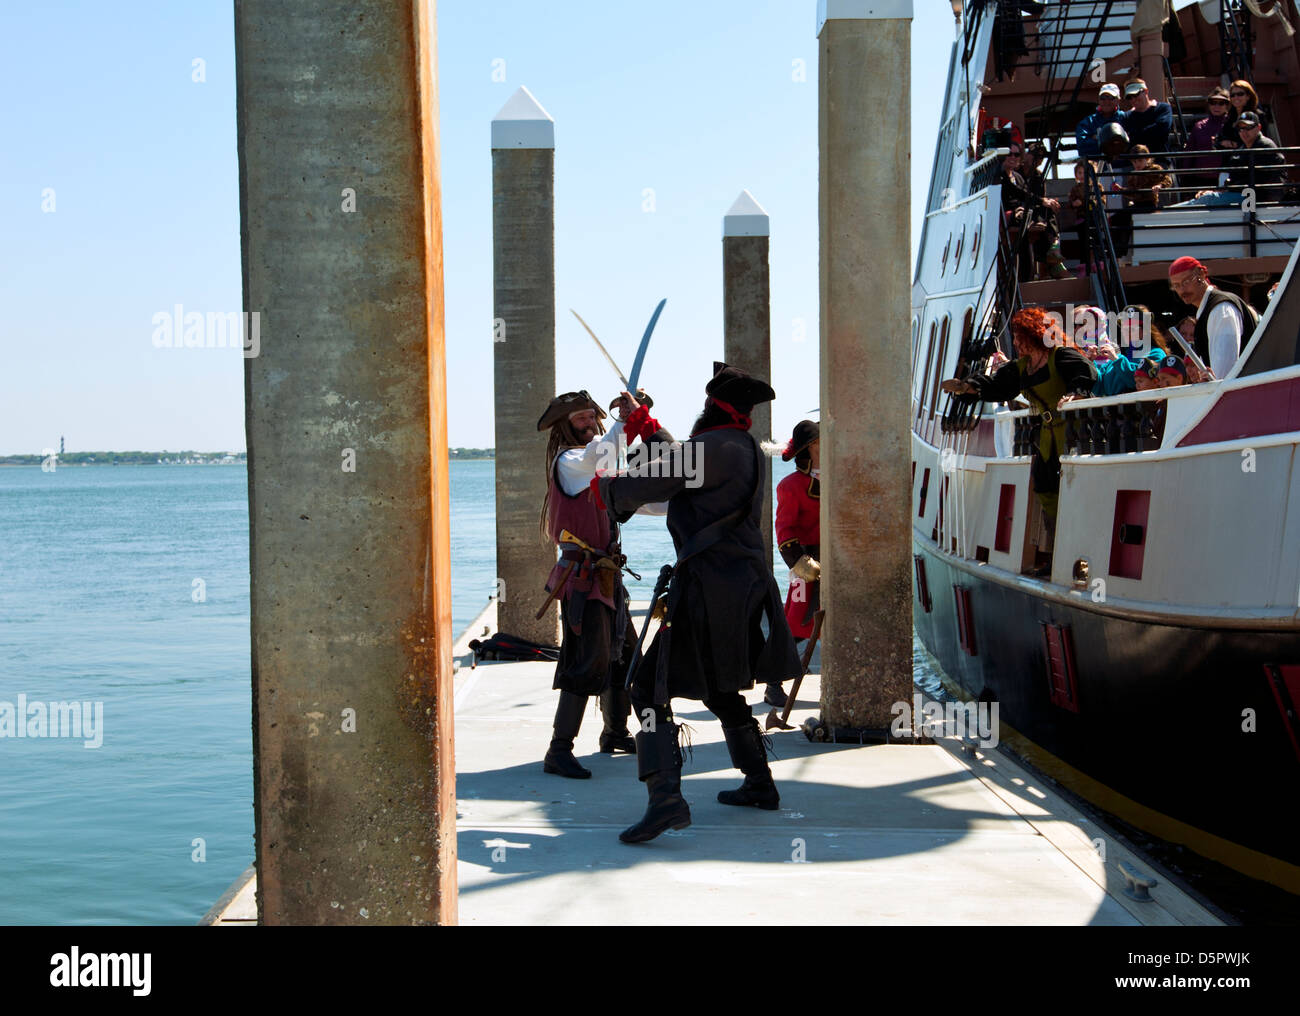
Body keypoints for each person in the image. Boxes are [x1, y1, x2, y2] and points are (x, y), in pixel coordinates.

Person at [594, 363, 803, 843]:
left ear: (711, 405)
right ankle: (759, 783)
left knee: (646, 689)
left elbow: (640, 485)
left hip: (711, 588)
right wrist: (644, 421)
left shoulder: (712, 448)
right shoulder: (740, 445)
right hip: (741, 584)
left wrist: (604, 482)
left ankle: (666, 801)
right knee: (719, 688)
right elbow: (682, 460)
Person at [536, 389, 663, 779]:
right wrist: (629, 419)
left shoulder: (599, 468)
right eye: (581, 420)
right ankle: (559, 751)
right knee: (586, 661)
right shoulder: (571, 462)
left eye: (593, 417)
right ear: (564, 428)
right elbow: (600, 455)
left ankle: (615, 732)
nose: (591, 424)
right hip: (581, 582)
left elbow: (643, 501)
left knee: (625, 657)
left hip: (606, 579)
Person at [941, 309, 1096, 568]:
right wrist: (968, 387)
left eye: (1019, 336)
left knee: (1076, 487)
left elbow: (1087, 372)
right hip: (1047, 435)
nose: (1015, 343)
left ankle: (1082, 551)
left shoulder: (1061, 357)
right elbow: (998, 386)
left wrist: (1075, 394)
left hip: (1074, 430)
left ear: (1034, 334)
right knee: (1046, 488)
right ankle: (1061, 551)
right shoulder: (1022, 368)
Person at [769, 420, 821, 709]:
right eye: (821, 441)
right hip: (805, 565)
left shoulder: (837, 479)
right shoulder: (789, 486)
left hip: (835, 563)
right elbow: (784, 532)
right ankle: (773, 683)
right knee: (795, 626)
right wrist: (804, 566)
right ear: (811, 447)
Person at [1167, 255, 1259, 379]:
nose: (1182, 290)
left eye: (1187, 281)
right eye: (1176, 285)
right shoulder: (1209, 310)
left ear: (1202, 275)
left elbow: (1224, 369)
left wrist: (1214, 382)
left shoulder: (1221, 309)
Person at [1001, 143, 1069, 280]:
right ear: (1027, 155)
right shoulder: (1000, 176)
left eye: (1016, 154)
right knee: (1031, 220)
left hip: (1026, 212)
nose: (1013, 157)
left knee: (1046, 212)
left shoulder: (1025, 176)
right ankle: (1051, 263)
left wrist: (1044, 202)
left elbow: (1027, 195)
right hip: (1008, 215)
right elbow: (1018, 192)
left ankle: (1053, 252)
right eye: (1009, 154)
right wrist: (1042, 201)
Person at [1186, 87, 1232, 188]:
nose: (1216, 106)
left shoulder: (1233, 126)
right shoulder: (1199, 126)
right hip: (1200, 179)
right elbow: (1189, 153)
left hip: (1226, 179)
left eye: (1221, 103)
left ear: (1227, 105)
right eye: (1213, 102)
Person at [1120, 78, 1174, 154]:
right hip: (1135, 162)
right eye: (1129, 97)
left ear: (1146, 91)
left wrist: (1134, 135)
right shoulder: (1126, 116)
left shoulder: (1163, 108)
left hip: (1160, 159)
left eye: (1135, 95)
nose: (1133, 99)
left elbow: (1162, 128)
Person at [1076, 83, 1124, 159]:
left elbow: (1131, 145)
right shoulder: (1088, 122)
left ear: (1118, 100)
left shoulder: (1125, 118)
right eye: (1103, 98)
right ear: (1098, 100)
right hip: (1098, 169)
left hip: (1125, 168)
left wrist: (1098, 139)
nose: (1106, 101)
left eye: (1111, 98)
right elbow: (1082, 147)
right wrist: (1112, 143)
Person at [1220, 79, 1266, 146]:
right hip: (1231, 155)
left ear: (1248, 96)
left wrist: (1234, 144)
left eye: (1240, 94)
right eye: (1232, 95)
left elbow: (1260, 140)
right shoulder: (1229, 117)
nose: (1236, 97)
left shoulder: (1258, 115)